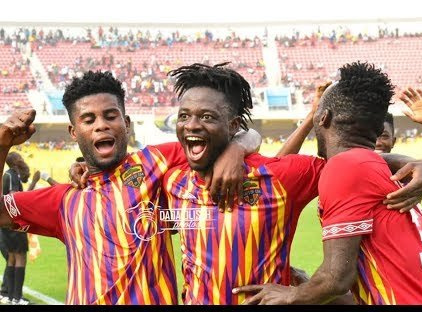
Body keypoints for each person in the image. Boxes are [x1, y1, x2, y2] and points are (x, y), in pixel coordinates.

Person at [161, 63, 422, 305]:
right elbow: (172, 229)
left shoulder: (282, 177)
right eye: (184, 116)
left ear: (234, 126)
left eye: (207, 117)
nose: (191, 125)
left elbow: (353, 161)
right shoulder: (171, 181)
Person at [0, 71, 259, 305]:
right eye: (88, 120)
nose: (101, 124)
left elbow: (244, 134)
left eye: (110, 116)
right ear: (74, 132)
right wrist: (2, 145)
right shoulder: (65, 199)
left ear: (126, 123)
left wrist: (236, 148)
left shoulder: (157, 162)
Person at [234, 62, 422, 304]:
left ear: (323, 117)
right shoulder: (370, 165)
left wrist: (292, 294)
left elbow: (336, 279)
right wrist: (305, 283)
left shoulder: (345, 167)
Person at [0, 153, 39, 305]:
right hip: (14, 224)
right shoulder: (11, 176)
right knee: (20, 257)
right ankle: (17, 297)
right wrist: (34, 183)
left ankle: (10, 296)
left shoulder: (7, 175)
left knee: (11, 258)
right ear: (16, 161)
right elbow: (16, 199)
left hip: (6, 225)